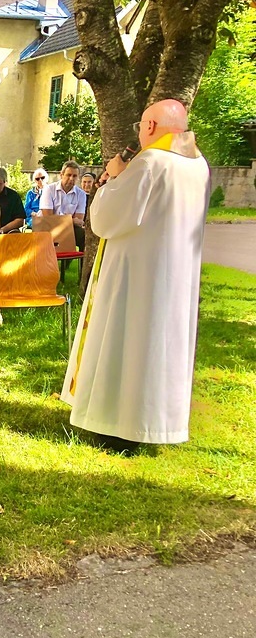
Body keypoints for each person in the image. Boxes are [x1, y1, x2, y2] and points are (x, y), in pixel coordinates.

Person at [63, 100, 210, 452]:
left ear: (151, 127)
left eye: (141, 126)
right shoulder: (198, 164)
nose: (140, 133)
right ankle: (152, 424)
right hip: (174, 276)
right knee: (160, 346)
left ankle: (115, 424)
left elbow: (106, 219)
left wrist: (114, 177)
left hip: (136, 275)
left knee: (126, 341)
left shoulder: (150, 162)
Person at [40, 161, 87, 249]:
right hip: (48, 227)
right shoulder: (49, 189)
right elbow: (48, 217)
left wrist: (64, 220)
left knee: (83, 235)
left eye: (74, 176)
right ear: (61, 175)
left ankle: (82, 258)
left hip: (69, 228)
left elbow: (79, 220)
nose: (71, 178)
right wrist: (71, 220)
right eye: (68, 175)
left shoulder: (81, 194)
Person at [0, 166, 26, 234]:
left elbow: (20, 220)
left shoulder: (13, 196)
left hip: (6, 233)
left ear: (4, 182)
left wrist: (1, 230)